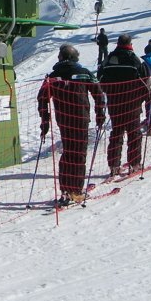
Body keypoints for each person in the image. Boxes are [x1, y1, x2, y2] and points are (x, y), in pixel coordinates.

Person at [37, 44, 106, 205]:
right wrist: (100, 115)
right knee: (79, 154)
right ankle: (76, 190)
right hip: (80, 118)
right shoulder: (84, 73)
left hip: (64, 120)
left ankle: (65, 190)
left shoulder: (53, 76)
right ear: (75, 58)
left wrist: (44, 121)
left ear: (60, 58)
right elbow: (99, 94)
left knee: (68, 152)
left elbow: (42, 99)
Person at [98, 33, 151, 176]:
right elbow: (145, 80)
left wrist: (109, 91)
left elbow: (100, 78)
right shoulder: (134, 59)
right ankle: (134, 164)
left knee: (117, 133)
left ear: (118, 43)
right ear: (130, 44)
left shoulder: (109, 59)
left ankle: (114, 166)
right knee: (134, 133)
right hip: (132, 104)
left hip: (115, 103)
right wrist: (146, 98)